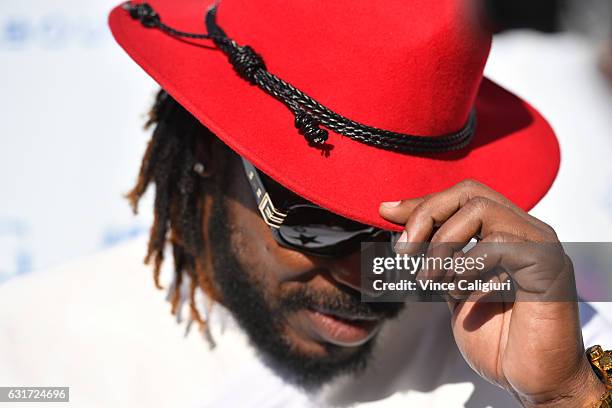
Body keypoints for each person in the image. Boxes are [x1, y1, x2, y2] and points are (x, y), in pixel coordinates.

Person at [2, 0, 612, 406]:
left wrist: (564, 396)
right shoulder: (31, 353)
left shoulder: (549, 343)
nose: (368, 275)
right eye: (315, 222)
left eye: (412, 234)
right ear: (209, 158)